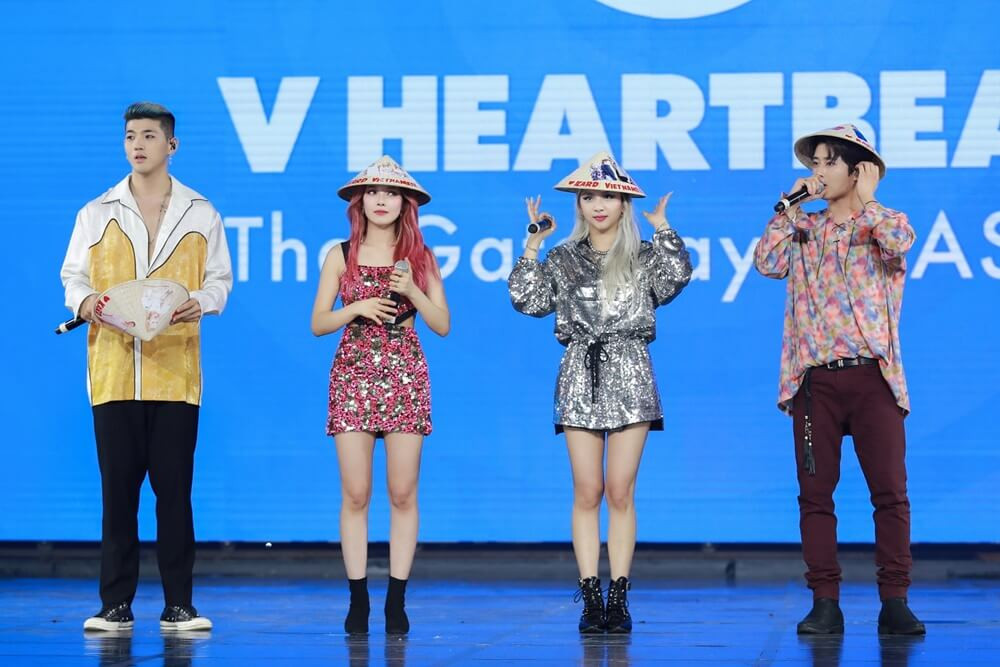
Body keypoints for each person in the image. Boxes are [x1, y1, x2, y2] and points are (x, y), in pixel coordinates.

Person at [61, 101, 233, 632]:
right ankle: (115, 605)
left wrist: (200, 302)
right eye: (131, 136)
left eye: (149, 136)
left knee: (174, 494)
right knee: (118, 495)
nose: (138, 144)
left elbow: (220, 281)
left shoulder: (201, 212)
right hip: (114, 372)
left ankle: (179, 605)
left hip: (176, 374)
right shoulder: (97, 212)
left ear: (171, 145)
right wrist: (86, 304)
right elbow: (73, 277)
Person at [508, 151, 692, 633]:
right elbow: (528, 301)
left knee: (620, 490)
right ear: (579, 205)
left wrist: (664, 229)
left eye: (609, 196)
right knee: (587, 490)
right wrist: (532, 245)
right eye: (590, 197)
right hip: (579, 373)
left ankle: (619, 595)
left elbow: (676, 279)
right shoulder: (563, 257)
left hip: (631, 370)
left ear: (624, 203)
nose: (599, 205)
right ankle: (591, 596)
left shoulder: (644, 255)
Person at [753, 124, 925, 636]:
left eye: (830, 162)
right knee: (815, 495)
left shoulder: (885, 223)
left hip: (873, 379)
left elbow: (900, 242)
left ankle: (895, 600)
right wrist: (788, 207)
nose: (819, 172)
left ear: (858, 170)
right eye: (815, 163)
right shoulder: (804, 229)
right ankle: (824, 601)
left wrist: (869, 199)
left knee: (890, 493)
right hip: (816, 383)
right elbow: (766, 263)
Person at [311, 156, 450, 635]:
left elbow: (442, 324)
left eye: (391, 193)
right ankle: (357, 598)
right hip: (353, 373)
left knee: (403, 492)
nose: (381, 201)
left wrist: (414, 288)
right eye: (373, 192)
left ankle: (396, 599)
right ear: (360, 201)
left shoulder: (421, 256)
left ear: (405, 203)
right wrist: (356, 308)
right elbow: (318, 323)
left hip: (404, 373)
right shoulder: (340, 254)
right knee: (355, 493)